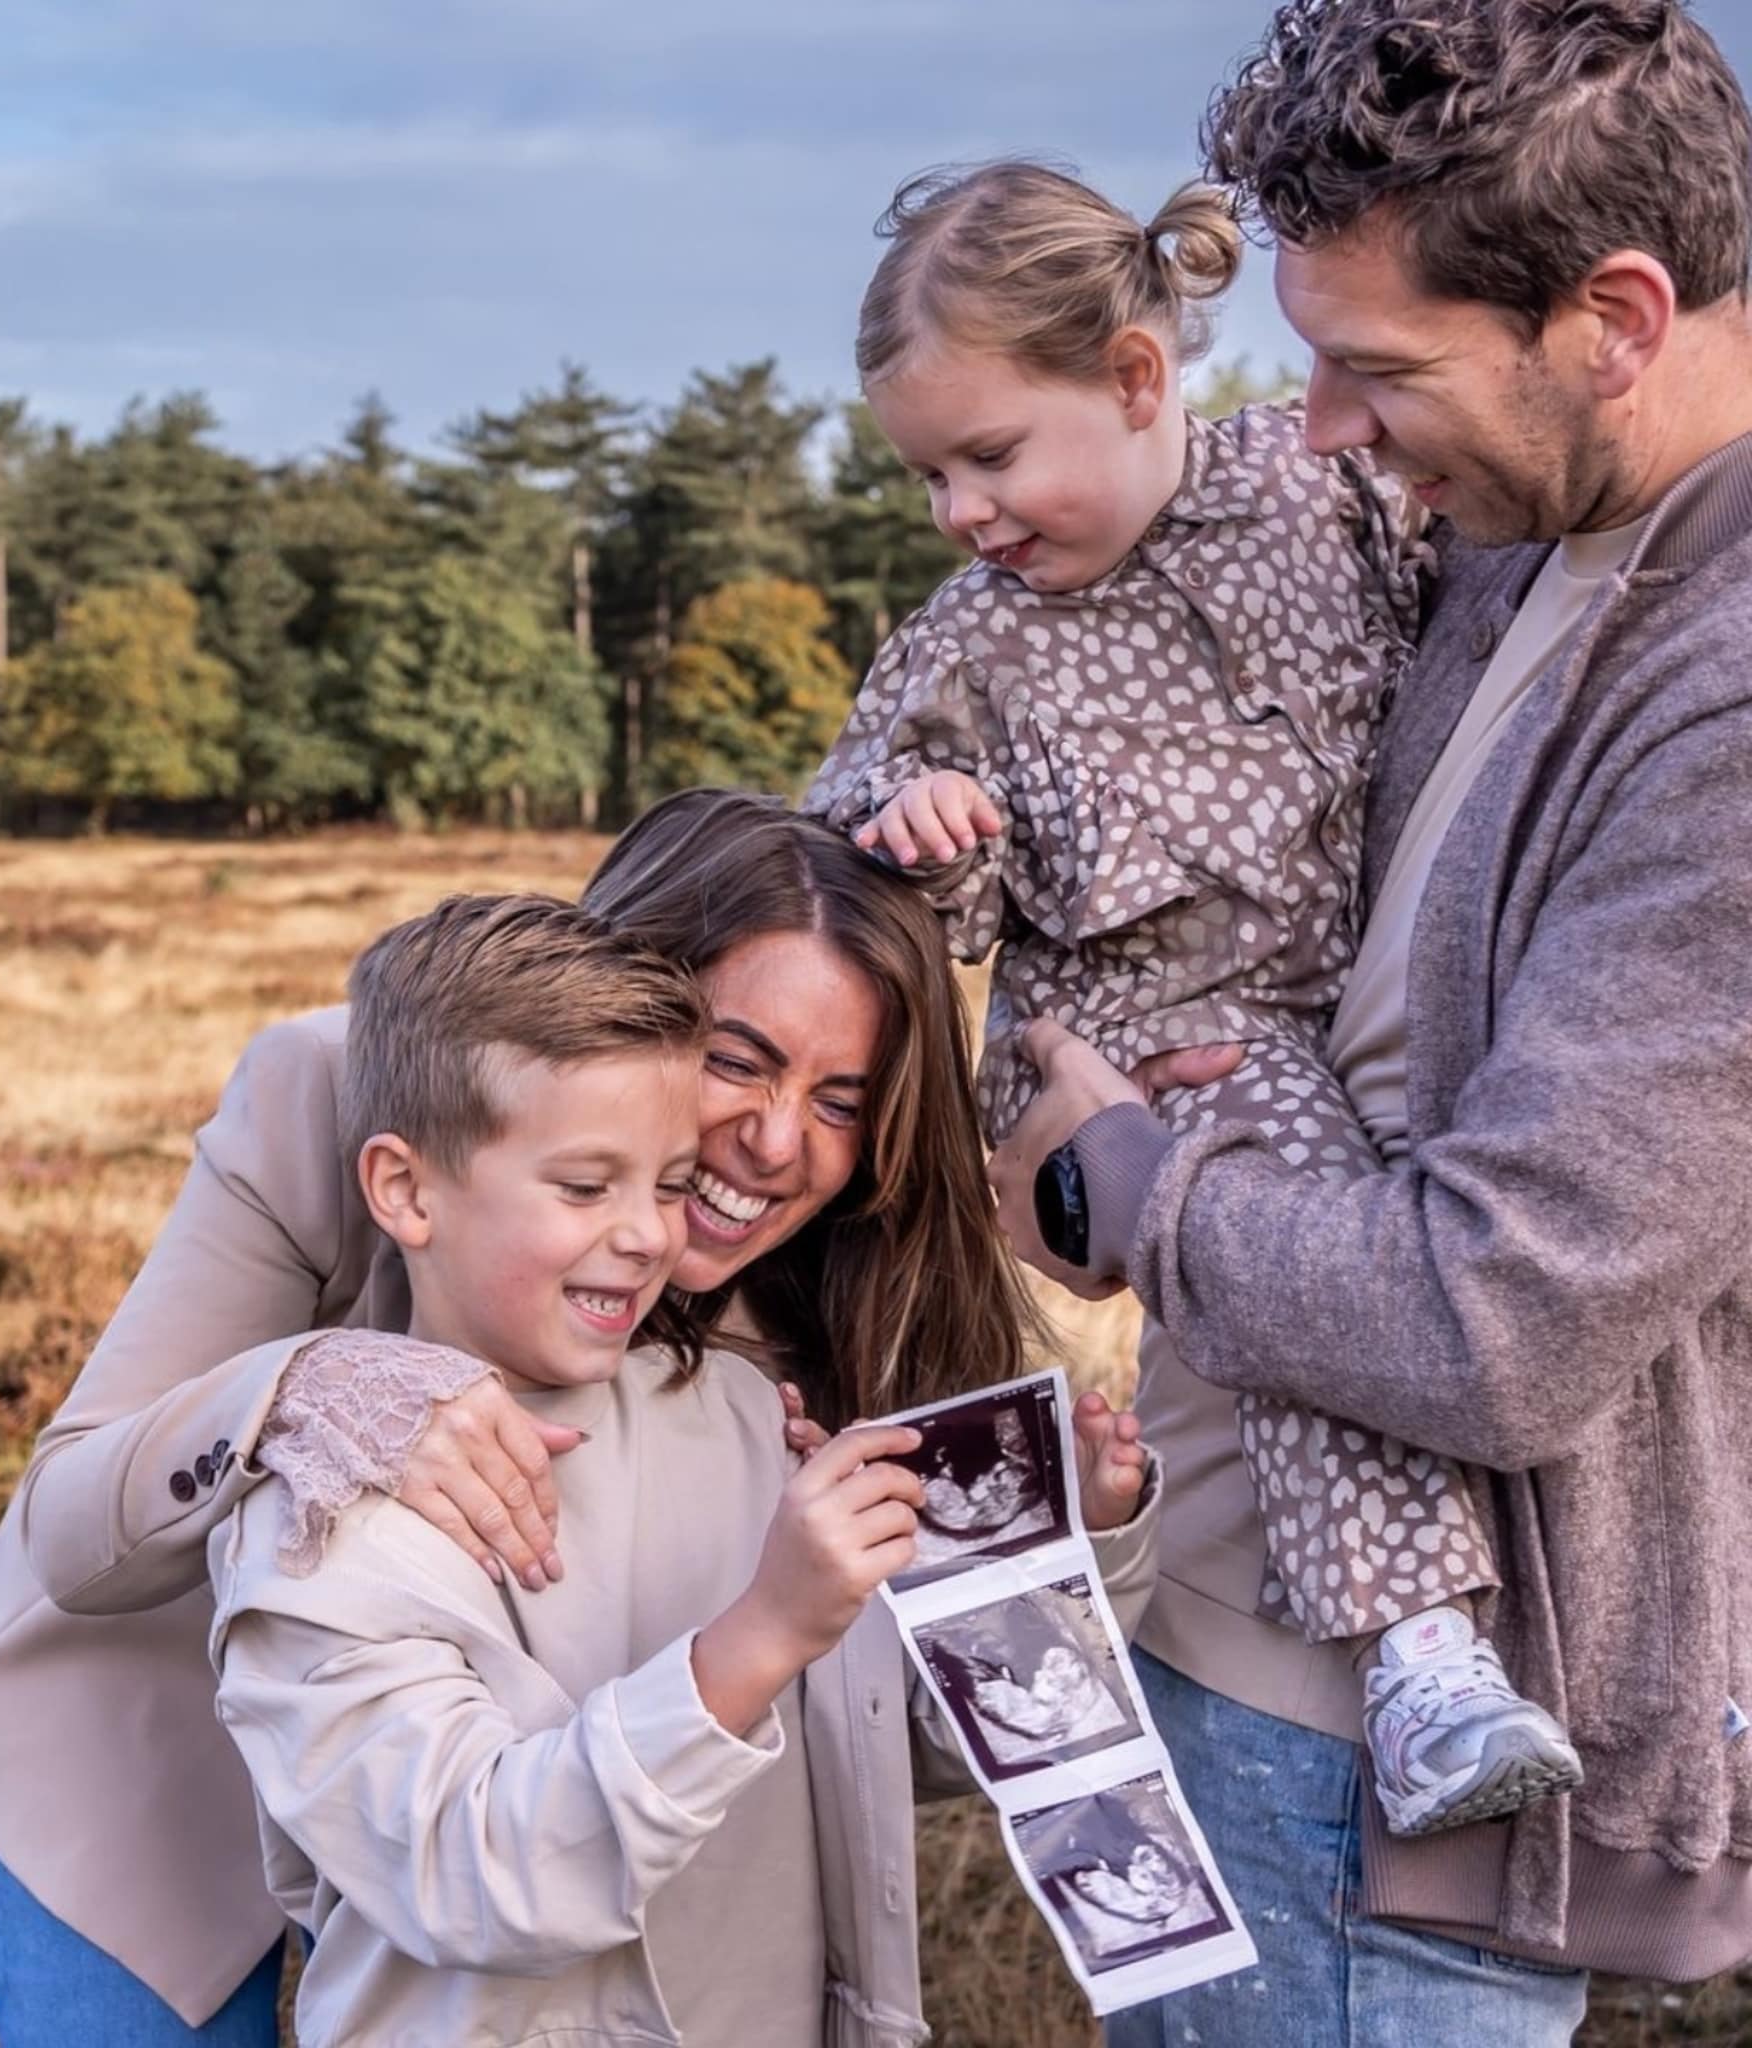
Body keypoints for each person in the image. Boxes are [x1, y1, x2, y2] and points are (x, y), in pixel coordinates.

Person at [985, 1, 1752, 2042]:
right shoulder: (1502, 540)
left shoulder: (1726, 693)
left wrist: (1142, 1182)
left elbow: (1500, 1318)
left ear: (1613, 313)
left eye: (1375, 367)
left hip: (1382, 1771)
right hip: (1222, 1610)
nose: (1316, 426)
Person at [0, 789, 1160, 2045]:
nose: (774, 1139)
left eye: (841, 1098)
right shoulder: (347, 1088)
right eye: (734, 1059)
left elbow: (872, 1703)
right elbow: (73, 1520)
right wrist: (302, 1387)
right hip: (159, 1727)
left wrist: (1069, 1529)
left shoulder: (843, 1270)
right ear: (635, 989)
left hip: (522, 1795)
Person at [808, 156, 1578, 1837]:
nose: (957, 510)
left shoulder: (1321, 498)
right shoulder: (965, 646)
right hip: (1119, 1051)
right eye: (927, 474)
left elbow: (1479, 622)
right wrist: (919, 838)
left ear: (1137, 377)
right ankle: (1420, 1650)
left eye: (987, 455)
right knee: (1290, 1197)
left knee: (1425, 1214)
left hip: (1324, 1012)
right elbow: (849, 866)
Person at [210, 890, 923, 2043]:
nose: (645, 1232)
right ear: (404, 1189)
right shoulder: (322, 1522)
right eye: (587, 1186)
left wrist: (1053, 1540)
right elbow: (475, 1870)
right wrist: (766, 1630)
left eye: (670, 1181)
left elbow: (883, 1742)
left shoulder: (738, 1412)